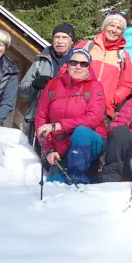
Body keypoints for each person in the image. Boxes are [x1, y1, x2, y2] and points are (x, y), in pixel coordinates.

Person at [33, 48, 107, 183]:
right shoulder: (53, 84)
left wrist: (58, 126)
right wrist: (49, 150)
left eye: (83, 64)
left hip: (89, 141)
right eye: (74, 63)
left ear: (88, 67)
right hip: (60, 144)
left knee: (81, 132)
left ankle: (76, 178)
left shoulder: (95, 86)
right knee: (53, 182)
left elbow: (93, 119)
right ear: (67, 64)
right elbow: (41, 118)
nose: (78, 67)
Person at [19, 23, 75, 139]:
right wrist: (34, 85)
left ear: (72, 41)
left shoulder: (78, 63)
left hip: (65, 121)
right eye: (57, 37)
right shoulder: (41, 60)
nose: (60, 41)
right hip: (38, 118)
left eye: (64, 37)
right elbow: (22, 90)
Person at [74, 13, 132, 123]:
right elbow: (66, 69)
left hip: (103, 111)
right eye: (111, 25)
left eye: (119, 28)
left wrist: (113, 98)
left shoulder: (123, 56)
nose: (114, 30)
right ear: (105, 27)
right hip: (75, 104)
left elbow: (126, 84)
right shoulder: (85, 46)